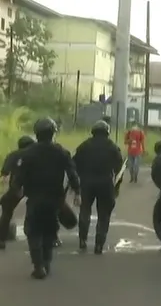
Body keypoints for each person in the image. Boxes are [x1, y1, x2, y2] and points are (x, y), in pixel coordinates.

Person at [10, 117, 80, 280]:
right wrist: (77, 192)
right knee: (49, 231)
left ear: (36, 134)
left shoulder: (28, 153)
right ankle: (46, 263)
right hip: (55, 199)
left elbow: (18, 177)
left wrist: (16, 190)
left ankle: (38, 265)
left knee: (33, 231)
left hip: (35, 198)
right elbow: (72, 173)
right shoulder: (61, 152)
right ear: (53, 133)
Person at [75, 120, 124, 254]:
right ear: (107, 132)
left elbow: (75, 163)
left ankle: (82, 239)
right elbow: (119, 169)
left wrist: (78, 182)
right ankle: (99, 244)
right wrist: (116, 187)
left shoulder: (84, 146)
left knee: (85, 210)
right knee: (104, 214)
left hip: (87, 182)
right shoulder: (112, 147)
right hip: (105, 183)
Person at [0, 135, 35, 249]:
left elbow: (5, 173)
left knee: (6, 211)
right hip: (35, 187)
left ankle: (1, 240)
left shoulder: (14, 154)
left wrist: (4, 179)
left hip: (17, 187)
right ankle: (51, 238)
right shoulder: (37, 153)